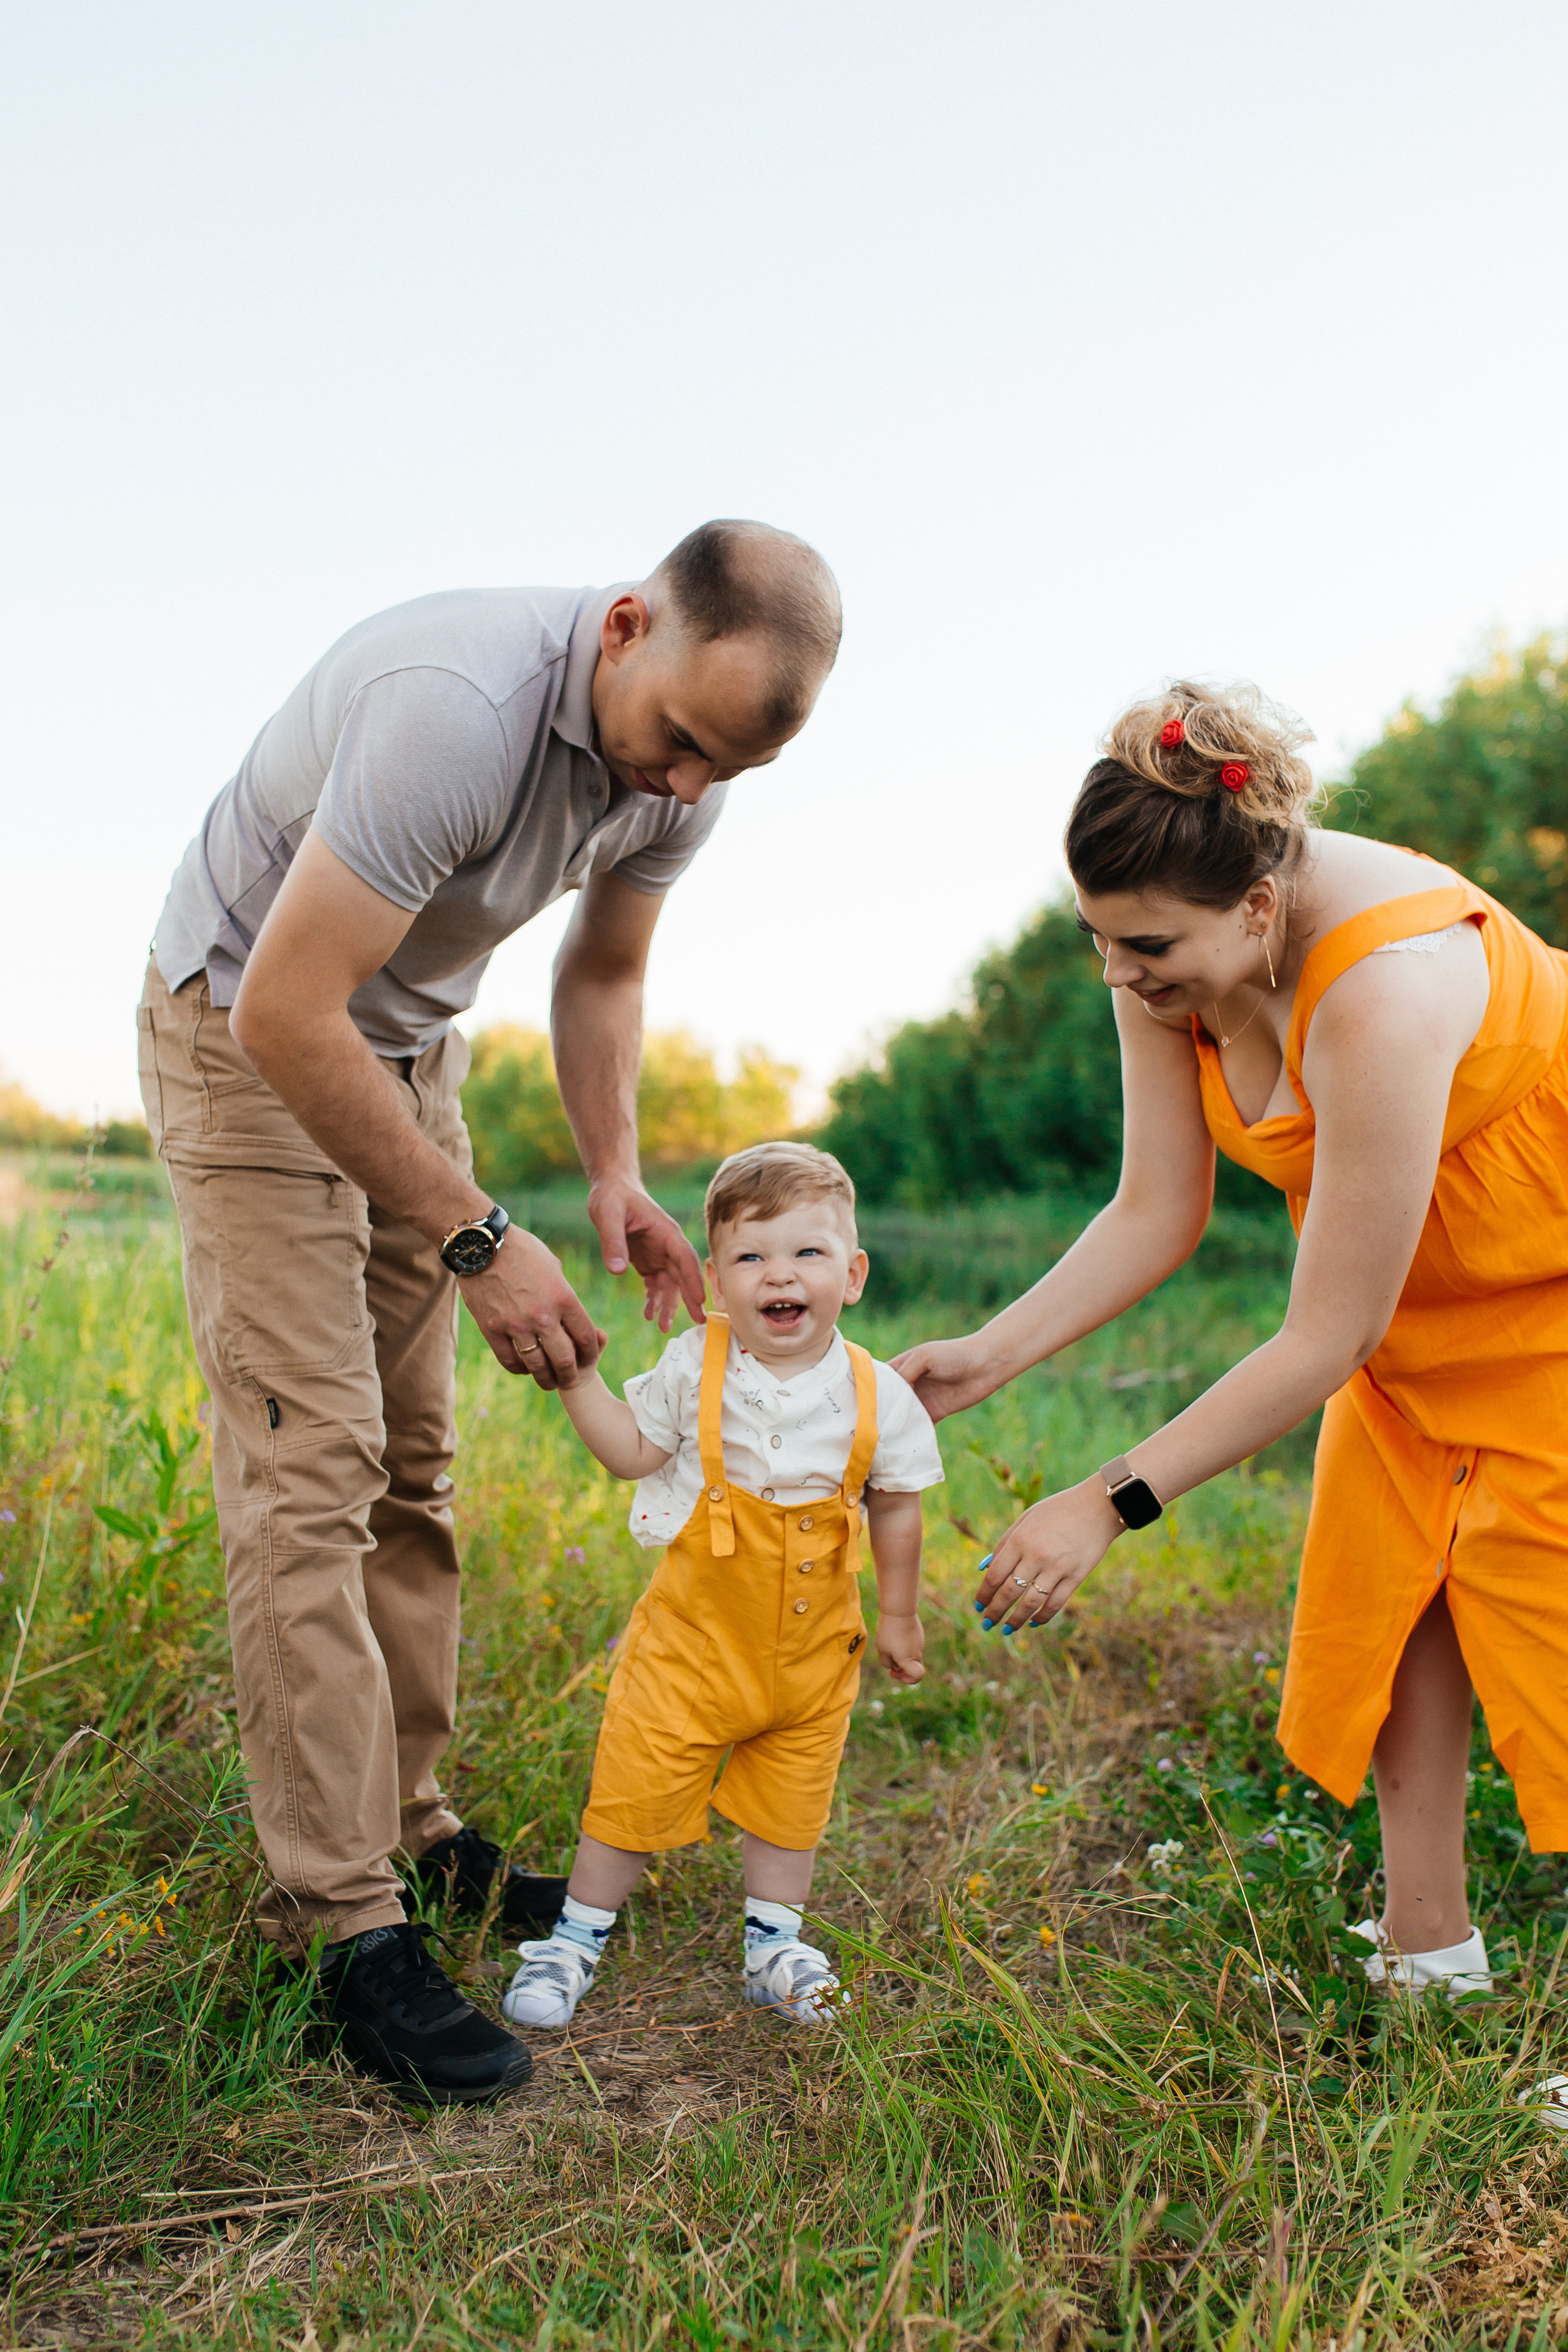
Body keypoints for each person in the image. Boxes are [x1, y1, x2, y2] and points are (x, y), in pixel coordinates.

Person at [137, 521, 842, 2102]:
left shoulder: (688, 765)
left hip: (402, 1052)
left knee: (415, 1467)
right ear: (623, 624)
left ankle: (410, 1823)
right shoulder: (453, 705)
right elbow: (280, 1012)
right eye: (674, 740)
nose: (675, 788)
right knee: (310, 1475)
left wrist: (611, 1179)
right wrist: (479, 1235)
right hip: (252, 1036)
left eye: (714, 769)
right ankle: (343, 1927)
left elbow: (601, 975)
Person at [895, 679, 1568, 2008]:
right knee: (1394, 1618)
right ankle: (1428, 1956)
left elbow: (1322, 1330)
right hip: (1412, 1324)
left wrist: (1107, 1499)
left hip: (1541, 1303)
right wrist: (991, 1352)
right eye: (1096, 940)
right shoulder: (1167, 941)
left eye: (1140, 947)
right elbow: (1155, 1208)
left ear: (1258, 909)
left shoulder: (1383, 988)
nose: (1116, 975)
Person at [500, 1142, 942, 2030]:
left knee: (792, 1797)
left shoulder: (878, 1393)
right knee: (634, 1782)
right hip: (692, 1642)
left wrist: (898, 1614)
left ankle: (774, 1944)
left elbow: (895, 1506)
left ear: (852, 1275)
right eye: (751, 1257)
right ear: (715, 1278)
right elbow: (634, 1453)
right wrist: (580, 1381)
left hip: (811, 1654)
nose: (780, 1274)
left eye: (807, 1255)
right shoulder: (690, 1365)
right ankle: (575, 1937)